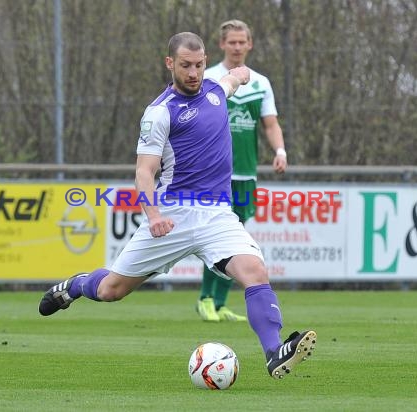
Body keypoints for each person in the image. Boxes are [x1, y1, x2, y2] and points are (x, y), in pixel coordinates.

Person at [38, 32, 315, 379]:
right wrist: (153, 215)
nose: (194, 73)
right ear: (170, 63)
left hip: (216, 214)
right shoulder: (159, 112)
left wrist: (241, 74)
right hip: (172, 214)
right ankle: (76, 285)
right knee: (112, 290)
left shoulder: (215, 90)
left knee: (255, 272)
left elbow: (231, 79)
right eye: (185, 66)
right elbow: (144, 170)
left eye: (199, 65)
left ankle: (275, 352)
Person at [196, 20, 288, 322]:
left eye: (241, 42)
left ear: (250, 44)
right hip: (213, 175)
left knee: (235, 241)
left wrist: (280, 151)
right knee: (215, 238)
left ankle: (220, 304)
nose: (237, 47)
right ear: (222, 44)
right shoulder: (207, 78)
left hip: (246, 174)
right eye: (231, 42)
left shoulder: (260, 83)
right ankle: (205, 299)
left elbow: (270, 124)